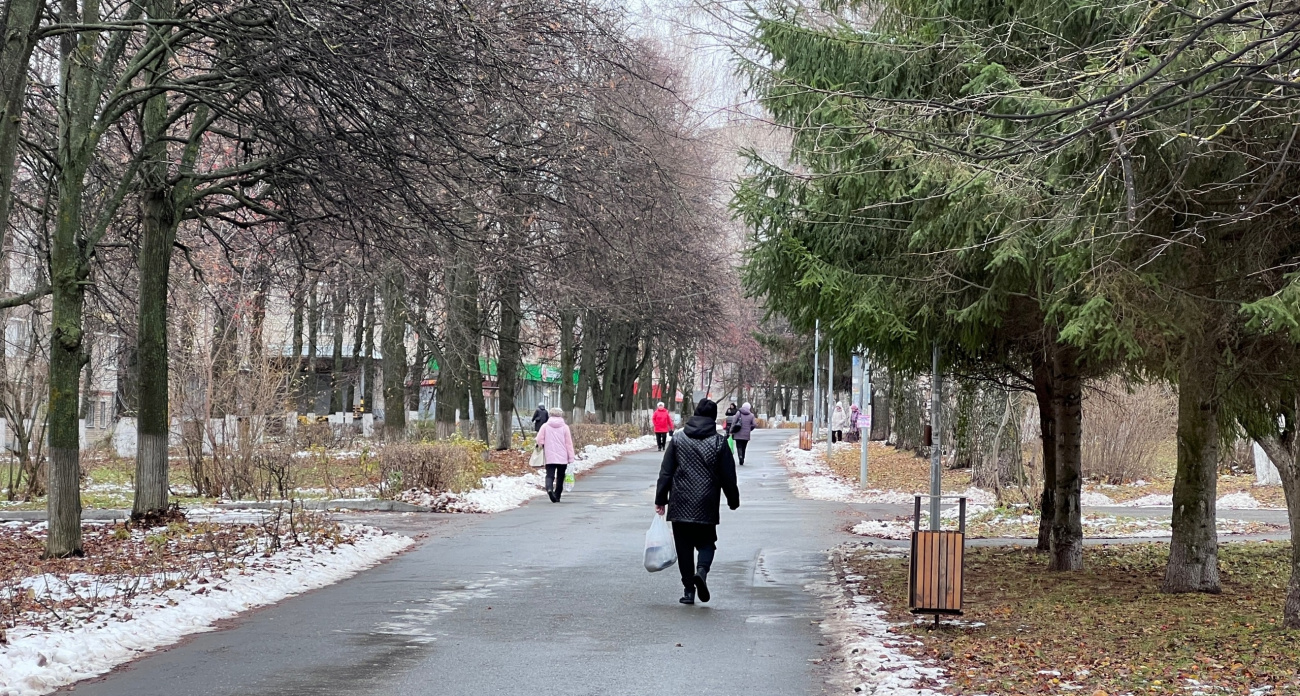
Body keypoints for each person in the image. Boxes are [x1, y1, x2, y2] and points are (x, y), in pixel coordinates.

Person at [654, 399, 740, 605]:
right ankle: (701, 571)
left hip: (680, 499)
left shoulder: (678, 439)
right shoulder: (719, 442)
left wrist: (660, 499)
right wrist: (733, 500)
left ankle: (688, 591)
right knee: (707, 542)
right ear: (712, 417)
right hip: (707, 500)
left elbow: (666, 472)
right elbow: (728, 475)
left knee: (684, 547)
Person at [536, 408, 575, 502]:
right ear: (561, 415)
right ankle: (557, 495)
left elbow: (539, 440)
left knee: (549, 475)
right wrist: (571, 458)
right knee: (560, 476)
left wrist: (541, 446)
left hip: (550, 456)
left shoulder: (545, 426)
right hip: (563, 456)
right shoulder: (565, 427)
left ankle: (549, 489)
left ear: (550, 415)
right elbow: (568, 444)